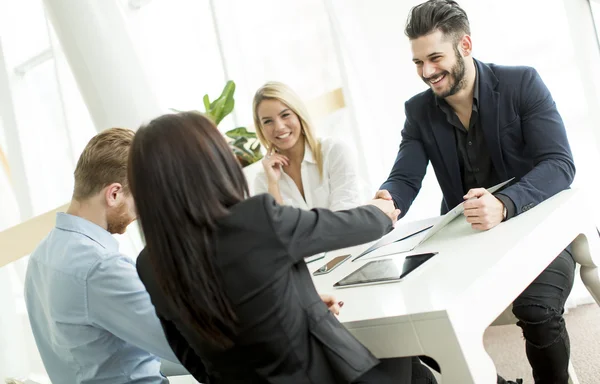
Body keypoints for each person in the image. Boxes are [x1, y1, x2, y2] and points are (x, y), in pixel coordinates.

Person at [130, 111, 437, 383]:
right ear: (212, 165)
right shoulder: (252, 219)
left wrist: (300, 302)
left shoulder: (149, 264)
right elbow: (348, 227)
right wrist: (381, 211)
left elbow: (190, 354)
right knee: (408, 354)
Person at [375, 0, 576, 384]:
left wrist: (504, 203)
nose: (427, 72)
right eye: (418, 62)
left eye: (435, 58)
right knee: (410, 322)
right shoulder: (418, 111)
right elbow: (404, 177)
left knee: (536, 309)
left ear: (465, 46)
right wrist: (385, 200)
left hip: (536, 227)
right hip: (465, 243)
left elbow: (559, 163)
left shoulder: (522, 83)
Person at [24, 128, 184, 384]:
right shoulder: (100, 267)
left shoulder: (41, 255)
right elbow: (180, 344)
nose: (140, 213)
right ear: (114, 194)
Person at [253, 81, 363, 211]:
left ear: (298, 114)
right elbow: (276, 229)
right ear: (261, 128)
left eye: (285, 115)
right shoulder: (263, 179)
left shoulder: (334, 152)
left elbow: (345, 216)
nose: (279, 127)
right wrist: (273, 185)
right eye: (268, 121)